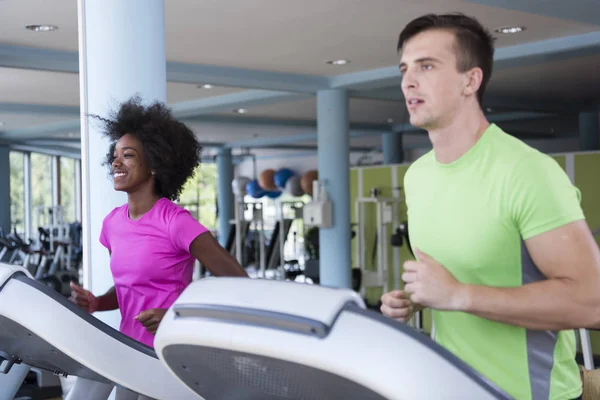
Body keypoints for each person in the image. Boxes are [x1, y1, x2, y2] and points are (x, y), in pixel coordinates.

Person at [380, 13, 600, 400]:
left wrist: (458, 295)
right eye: (404, 69)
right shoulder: (418, 177)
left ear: (471, 80)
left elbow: (591, 301)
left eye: (427, 66)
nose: (408, 81)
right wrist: (415, 299)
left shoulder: (528, 172)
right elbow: (463, 273)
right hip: (449, 389)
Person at [69, 96, 248, 349]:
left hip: (173, 350)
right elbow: (130, 289)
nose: (116, 162)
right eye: (115, 155)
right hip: (130, 348)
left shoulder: (175, 223)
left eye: (127, 155)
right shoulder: (112, 224)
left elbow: (241, 283)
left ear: (155, 164)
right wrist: (97, 302)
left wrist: (177, 315)